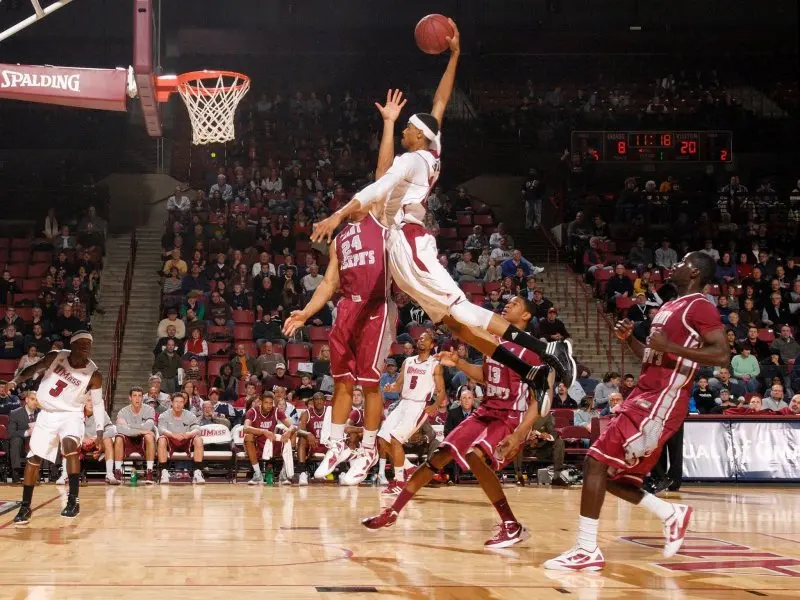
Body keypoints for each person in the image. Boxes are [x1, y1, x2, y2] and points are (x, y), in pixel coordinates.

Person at [308, 24, 574, 405]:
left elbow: (376, 188)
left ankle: (548, 351)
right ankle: (528, 371)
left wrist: (337, 216)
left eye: (405, 129)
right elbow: (440, 105)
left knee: (461, 309)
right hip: (401, 249)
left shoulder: (411, 159)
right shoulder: (430, 149)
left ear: (417, 135)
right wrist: (453, 57)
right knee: (454, 326)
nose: (403, 132)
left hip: (408, 243)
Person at [544, 251, 727, 571]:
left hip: (661, 401)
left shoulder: (700, 306)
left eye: (682, 263)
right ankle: (671, 514)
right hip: (643, 394)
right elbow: (653, 357)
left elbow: (721, 353)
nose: (675, 266)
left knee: (595, 462)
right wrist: (631, 342)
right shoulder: (669, 306)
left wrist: (672, 348)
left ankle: (587, 549)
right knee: (612, 477)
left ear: (695, 272)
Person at [363, 295, 554, 549]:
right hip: (486, 409)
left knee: (475, 456)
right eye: (507, 302)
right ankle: (393, 512)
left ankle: (511, 524)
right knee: (440, 456)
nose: (507, 304)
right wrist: (460, 363)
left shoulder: (531, 352)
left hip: (509, 417)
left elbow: (538, 400)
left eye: (516, 303)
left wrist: (520, 434)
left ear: (527, 316)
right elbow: (486, 377)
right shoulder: (493, 343)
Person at [282, 206, 394, 487]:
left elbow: (383, 173)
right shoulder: (339, 240)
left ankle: (368, 450)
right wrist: (306, 313)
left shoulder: (379, 220)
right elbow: (329, 283)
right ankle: (336, 445)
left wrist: (383, 162)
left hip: (374, 307)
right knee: (341, 381)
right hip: (347, 308)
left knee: (369, 382)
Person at [8, 331, 105, 525]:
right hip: (48, 414)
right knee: (33, 459)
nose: (86, 346)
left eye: (89, 343)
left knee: (69, 448)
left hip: (71, 414)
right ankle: (25, 506)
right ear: (73, 345)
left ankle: (73, 500)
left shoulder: (94, 374)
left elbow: (98, 404)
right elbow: (33, 368)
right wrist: (14, 381)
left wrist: (100, 434)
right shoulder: (56, 356)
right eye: (82, 343)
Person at [374, 331, 445, 493]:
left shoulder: (434, 364)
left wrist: (435, 406)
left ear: (432, 345)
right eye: (420, 338)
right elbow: (398, 384)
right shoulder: (408, 361)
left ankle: (399, 482)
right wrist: (391, 387)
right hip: (403, 403)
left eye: (425, 339)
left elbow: (441, 391)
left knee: (395, 440)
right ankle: (408, 467)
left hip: (418, 406)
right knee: (382, 439)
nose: (421, 340)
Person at [243, 391, 296, 485]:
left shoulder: (276, 411)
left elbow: (293, 426)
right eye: (266, 403)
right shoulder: (252, 411)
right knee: (248, 437)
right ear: (261, 402)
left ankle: (283, 474)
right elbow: (246, 428)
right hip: (258, 446)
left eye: (270, 403)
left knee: (292, 434)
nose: (268, 405)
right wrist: (263, 431)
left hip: (272, 444)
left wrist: (288, 431)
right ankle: (257, 474)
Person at [157, 393, 205, 484]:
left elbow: (197, 429)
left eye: (181, 402)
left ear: (184, 403)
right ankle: (164, 472)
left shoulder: (190, 415)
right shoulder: (164, 415)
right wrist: (172, 435)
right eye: (176, 402)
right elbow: (161, 429)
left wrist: (189, 434)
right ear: (171, 402)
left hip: (185, 439)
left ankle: (197, 472)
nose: (178, 404)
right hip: (171, 440)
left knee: (198, 439)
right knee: (162, 439)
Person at [113, 386, 157, 485]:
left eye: (140, 396)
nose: (137, 398)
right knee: (119, 438)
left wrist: (129, 426)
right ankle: (118, 472)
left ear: (142, 398)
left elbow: (149, 426)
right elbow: (120, 429)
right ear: (130, 398)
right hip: (128, 439)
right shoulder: (123, 411)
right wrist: (140, 430)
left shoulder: (149, 410)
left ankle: (149, 472)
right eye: (134, 396)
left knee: (149, 436)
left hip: (143, 440)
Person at [297, 392, 327, 486]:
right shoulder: (307, 413)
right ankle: (302, 472)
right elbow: (299, 431)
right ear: (313, 402)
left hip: (327, 444)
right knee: (302, 439)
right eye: (316, 399)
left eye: (321, 399)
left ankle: (342, 472)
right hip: (313, 444)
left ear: (324, 401)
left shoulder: (330, 412)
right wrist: (308, 433)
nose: (318, 401)